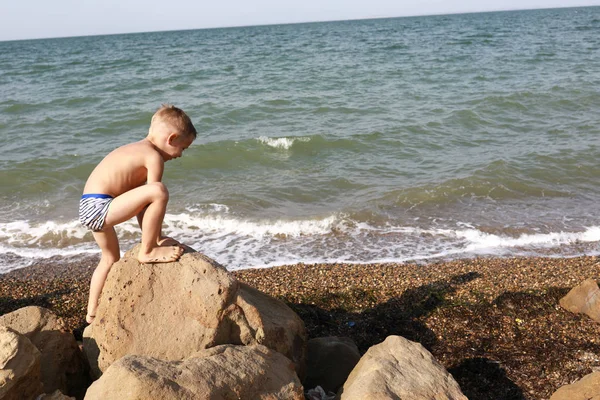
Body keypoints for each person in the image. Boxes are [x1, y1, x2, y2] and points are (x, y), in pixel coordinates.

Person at [79, 104, 197, 323]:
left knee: (109, 259)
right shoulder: (153, 158)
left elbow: (143, 204)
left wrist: (158, 235)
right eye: (183, 148)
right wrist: (155, 241)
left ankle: (92, 312)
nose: (181, 155)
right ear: (171, 139)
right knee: (159, 190)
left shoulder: (136, 149)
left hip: (89, 206)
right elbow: (153, 197)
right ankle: (148, 250)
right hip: (100, 206)